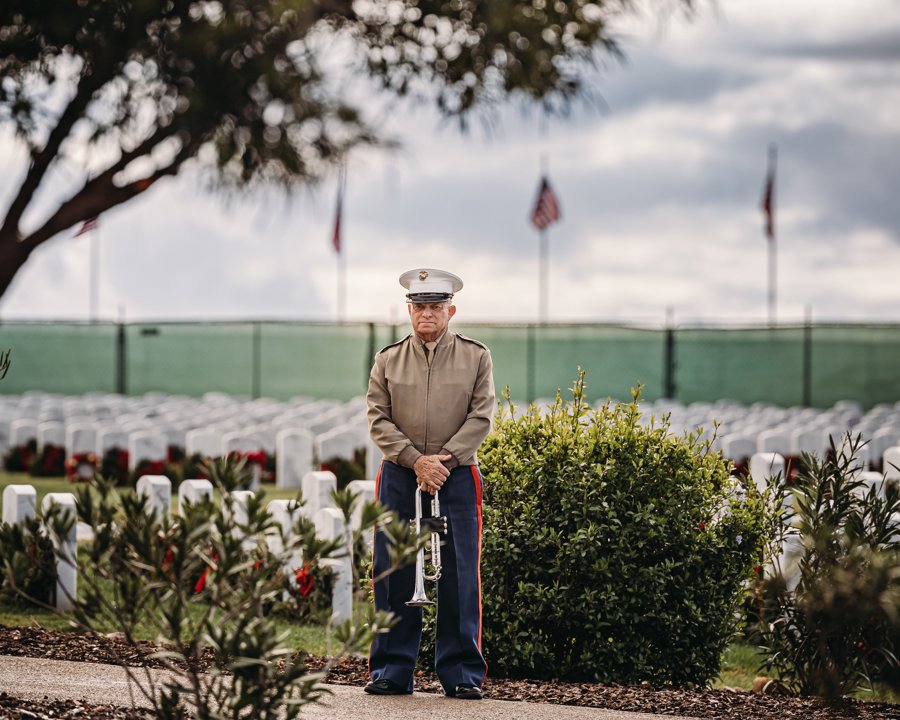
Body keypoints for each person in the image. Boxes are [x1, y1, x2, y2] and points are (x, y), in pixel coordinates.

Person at [364, 268, 495, 700]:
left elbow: (481, 416)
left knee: (459, 573)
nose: (426, 314)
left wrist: (444, 460)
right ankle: (391, 670)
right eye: (419, 306)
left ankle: (460, 673)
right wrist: (416, 461)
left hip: (455, 476)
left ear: (450, 311)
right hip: (401, 475)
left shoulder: (476, 357)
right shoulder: (387, 359)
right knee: (394, 573)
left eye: (435, 307)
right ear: (409, 311)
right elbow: (377, 418)